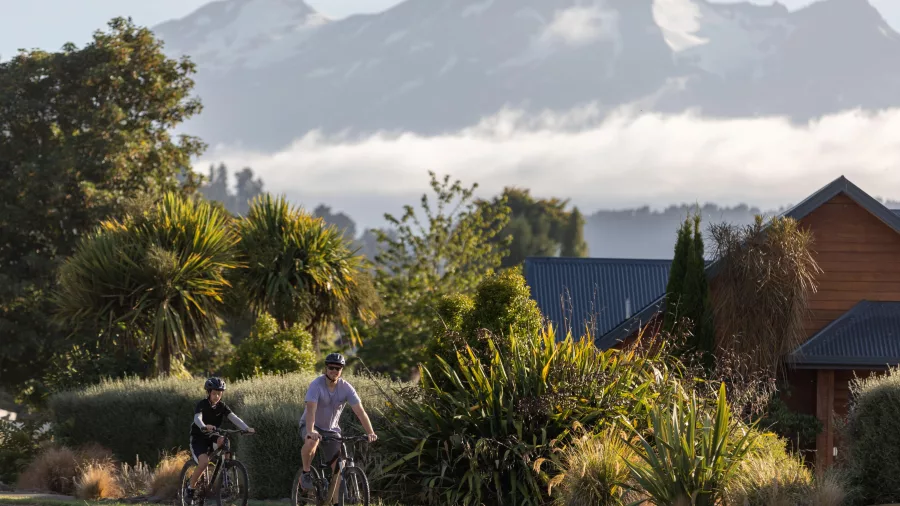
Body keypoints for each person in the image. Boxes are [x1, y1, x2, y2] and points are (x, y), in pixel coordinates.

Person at [298, 353, 377, 493]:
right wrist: (311, 431)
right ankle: (305, 473)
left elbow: (360, 412)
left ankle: (336, 502)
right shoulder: (316, 385)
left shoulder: (346, 388)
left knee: (339, 468)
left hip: (332, 429)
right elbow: (310, 410)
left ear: (341, 370)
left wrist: (370, 432)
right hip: (311, 424)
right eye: (331, 367)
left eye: (338, 368)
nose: (334, 371)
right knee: (311, 442)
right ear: (326, 368)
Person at [187, 377, 255, 502]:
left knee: (224, 441)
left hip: (212, 435)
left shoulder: (222, 406)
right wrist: (203, 426)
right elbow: (197, 418)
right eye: (214, 393)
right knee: (204, 463)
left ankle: (226, 473)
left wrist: (246, 428)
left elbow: (233, 418)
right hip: (199, 437)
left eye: (219, 393)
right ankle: (190, 488)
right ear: (208, 393)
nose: (217, 396)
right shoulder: (202, 404)